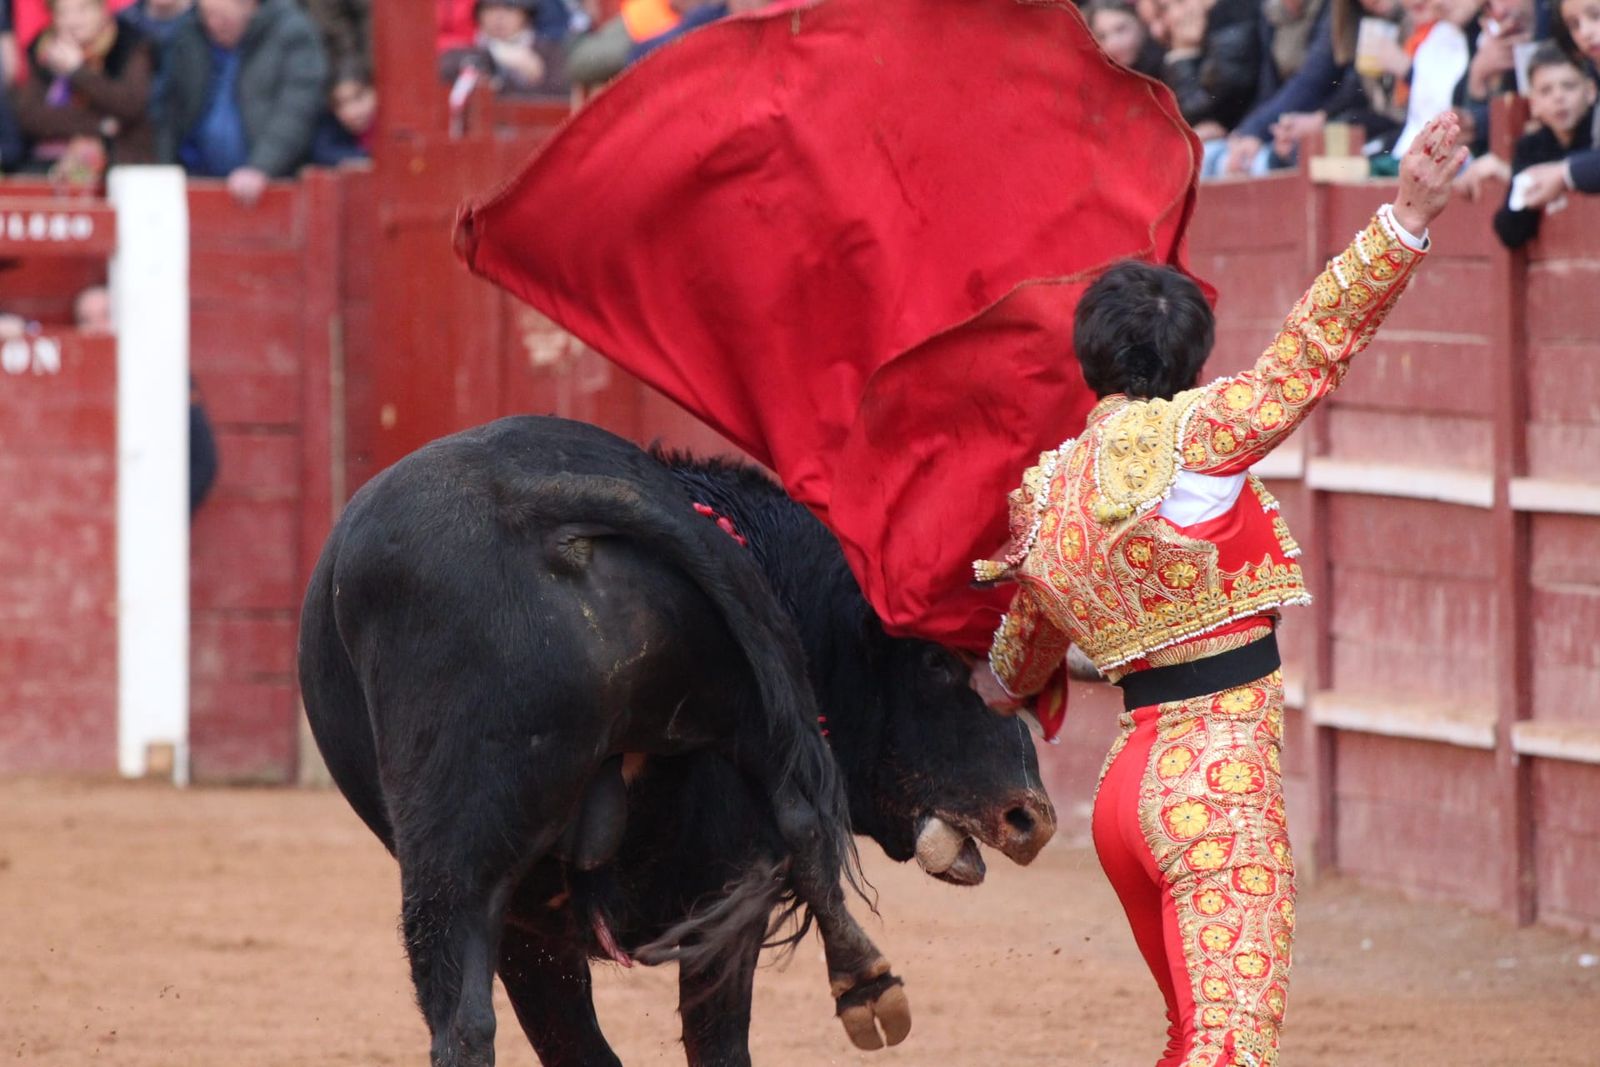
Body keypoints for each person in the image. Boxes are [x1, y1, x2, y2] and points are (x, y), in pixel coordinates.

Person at [972, 112, 1465, 1067]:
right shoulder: (1198, 435)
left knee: (1192, 1041)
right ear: (1193, 359)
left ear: (1089, 361)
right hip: (1213, 788)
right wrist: (1404, 217)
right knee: (1228, 1052)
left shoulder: (1047, 491)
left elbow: (1011, 671)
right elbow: (1311, 350)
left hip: (1125, 795)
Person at [153, 0, 327, 205]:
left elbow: (297, 109)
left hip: (269, 187)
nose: (213, 24)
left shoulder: (291, 32)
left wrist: (262, 166)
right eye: (207, 16)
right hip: (192, 181)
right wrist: (166, 171)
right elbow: (168, 108)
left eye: (223, 18)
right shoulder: (189, 32)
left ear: (249, 6)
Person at [75, 284, 219, 515]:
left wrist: (161, 522)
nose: (97, 328)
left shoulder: (164, 373)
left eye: (106, 316)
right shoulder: (73, 379)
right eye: (86, 320)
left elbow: (203, 461)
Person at [9, 0, 154, 172]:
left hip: (117, 163)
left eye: (82, 10)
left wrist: (77, 71)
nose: (73, 21)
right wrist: (102, 124)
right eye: (63, 13)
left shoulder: (129, 45)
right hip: (44, 164)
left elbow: (129, 105)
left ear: (102, 10)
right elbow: (30, 116)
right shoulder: (43, 49)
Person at [1492, 42, 1595, 245]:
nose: (1559, 97)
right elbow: (1510, 231)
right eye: (1546, 91)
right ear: (1534, 104)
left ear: (1590, 91)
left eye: (1569, 86)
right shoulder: (1532, 148)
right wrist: (1528, 200)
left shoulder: (1596, 131)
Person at [1159, 0, 1265, 139]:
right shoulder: (1213, 25)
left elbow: (1200, 109)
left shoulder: (1231, 23)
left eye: (1180, 2)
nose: (1173, 16)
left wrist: (1184, 53)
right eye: (1165, 8)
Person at [1087, 0, 1167, 78]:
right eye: (1102, 36)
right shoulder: (1102, 77)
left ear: (1140, 22)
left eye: (1121, 29)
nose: (1112, 43)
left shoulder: (1168, 63)